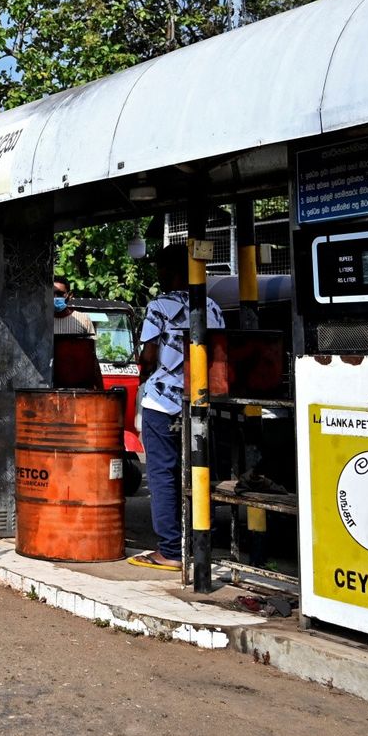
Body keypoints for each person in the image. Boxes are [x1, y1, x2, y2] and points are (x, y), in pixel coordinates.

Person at [128, 244, 223, 571]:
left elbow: (149, 356)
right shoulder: (211, 307)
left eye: (161, 270)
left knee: (162, 475)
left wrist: (144, 364)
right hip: (197, 402)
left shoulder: (159, 306)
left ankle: (170, 549)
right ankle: (199, 545)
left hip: (161, 402)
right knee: (196, 472)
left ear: (170, 271)